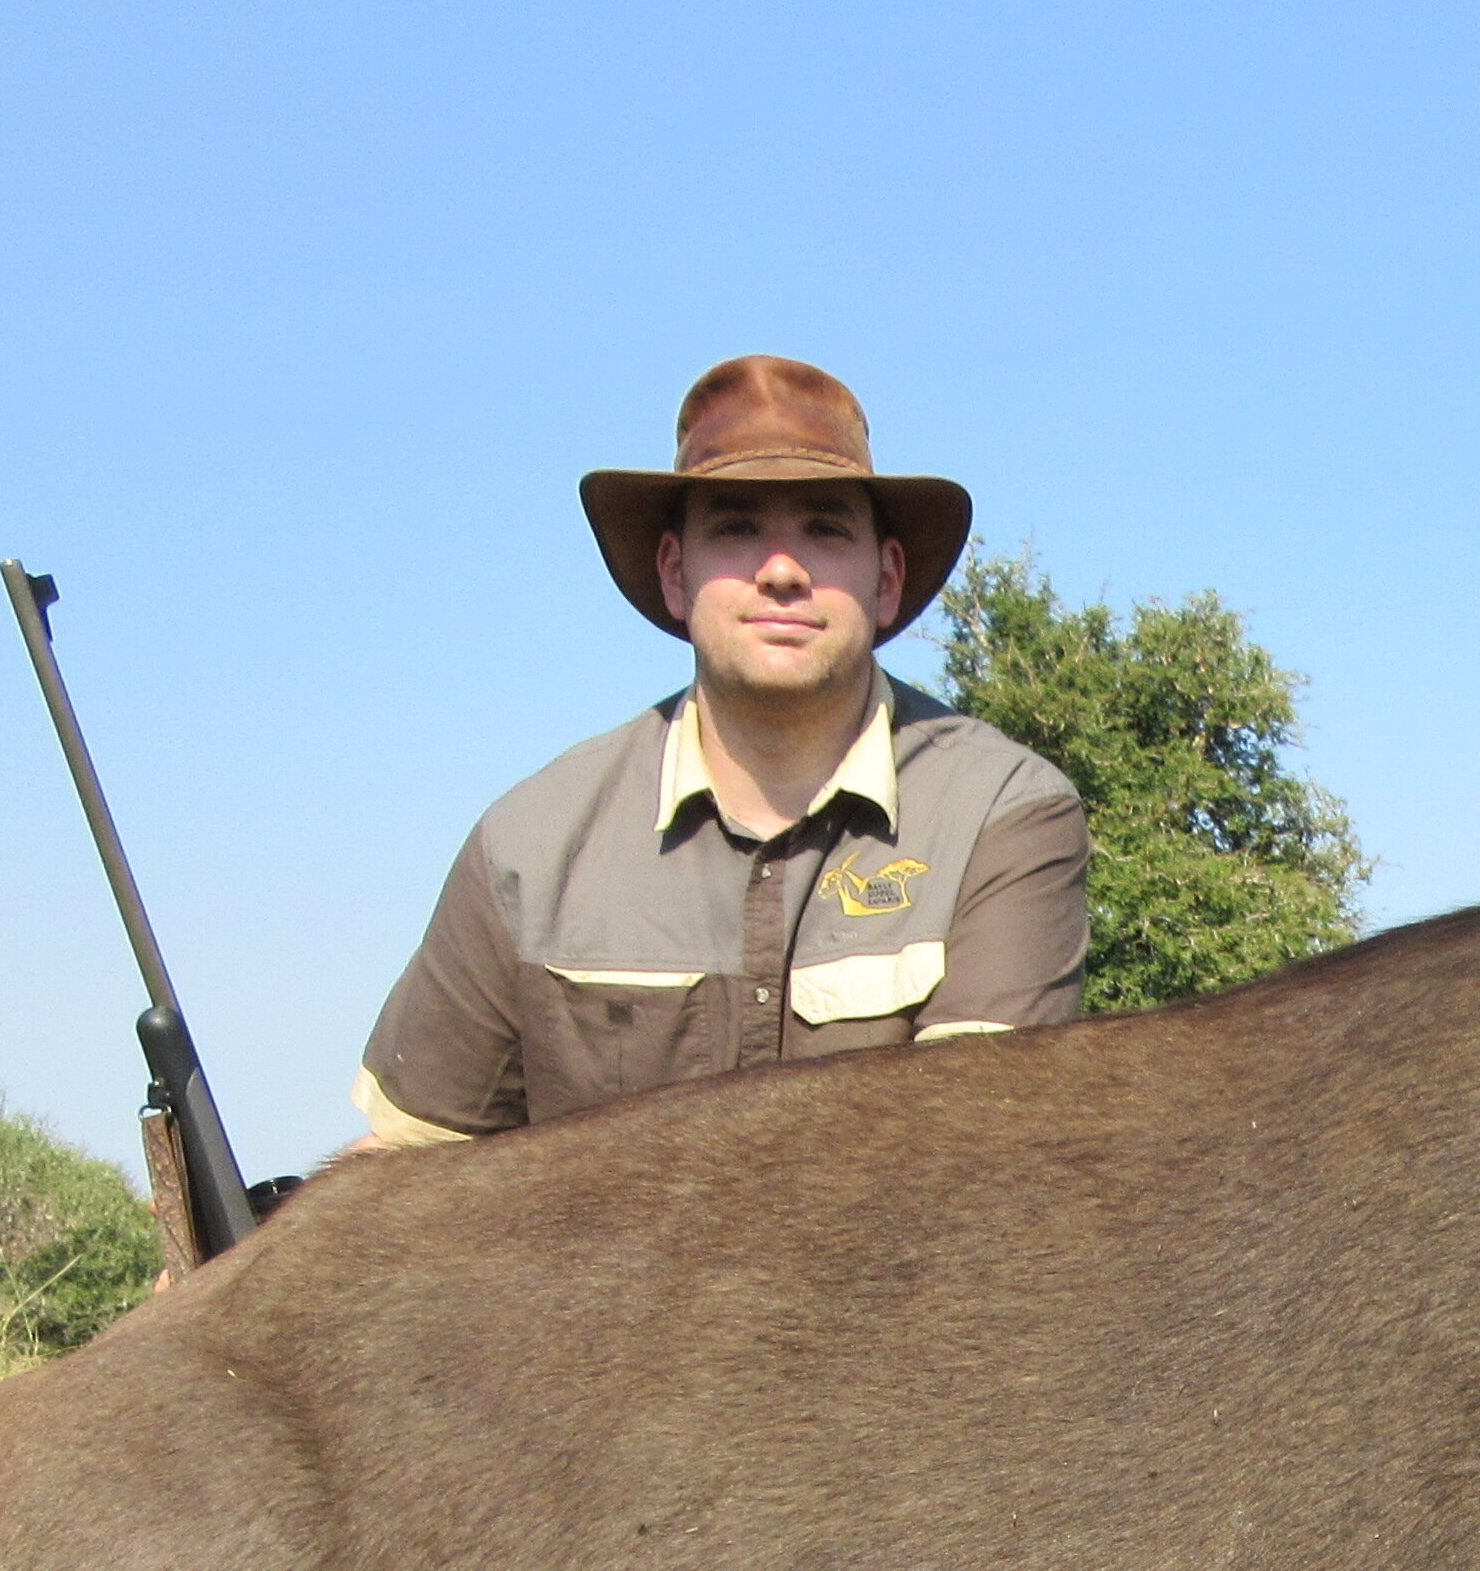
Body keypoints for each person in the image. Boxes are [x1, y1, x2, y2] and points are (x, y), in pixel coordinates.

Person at [352, 357, 1088, 1147]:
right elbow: (400, 1182)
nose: (780, 572)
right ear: (676, 573)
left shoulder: (1003, 815)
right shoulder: (528, 848)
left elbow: (972, 1162)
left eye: (826, 530)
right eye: (736, 529)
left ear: (887, 578)